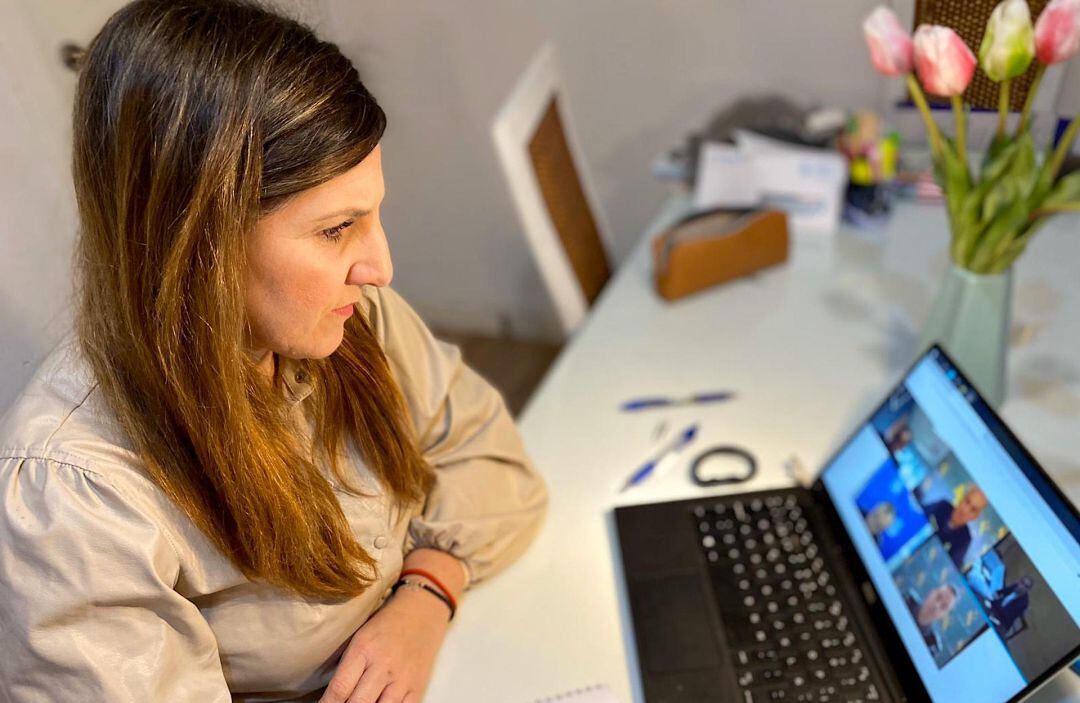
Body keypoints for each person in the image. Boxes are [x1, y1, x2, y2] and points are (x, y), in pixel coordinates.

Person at [0, 1, 548, 701]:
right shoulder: (74, 496)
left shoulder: (343, 319)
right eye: (336, 230)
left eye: (373, 215)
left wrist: (426, 591)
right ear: (196, 243)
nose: (380, 267)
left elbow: (487, 454)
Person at [922, 483, 989, 567]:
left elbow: (948, 568)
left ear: (975, 517)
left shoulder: (964, 540)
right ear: (961, 498)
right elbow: (917, 517)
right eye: (967, 502)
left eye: (973, 510)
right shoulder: (942, 506)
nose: (965, 510)